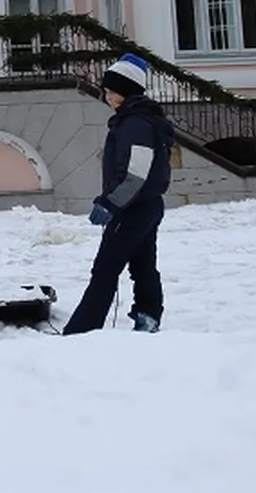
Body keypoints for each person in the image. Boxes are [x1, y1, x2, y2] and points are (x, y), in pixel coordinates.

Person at [62, 54, 174, 336]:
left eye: (111, 90)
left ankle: (82, 331)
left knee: (105, 269)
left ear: (125, 90)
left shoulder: (135, 125)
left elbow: (135, 174)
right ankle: (148, 316)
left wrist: (110, 203)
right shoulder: (138, 120)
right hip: (147, 205)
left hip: (132, 207)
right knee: (143, 265)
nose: (107, 95)